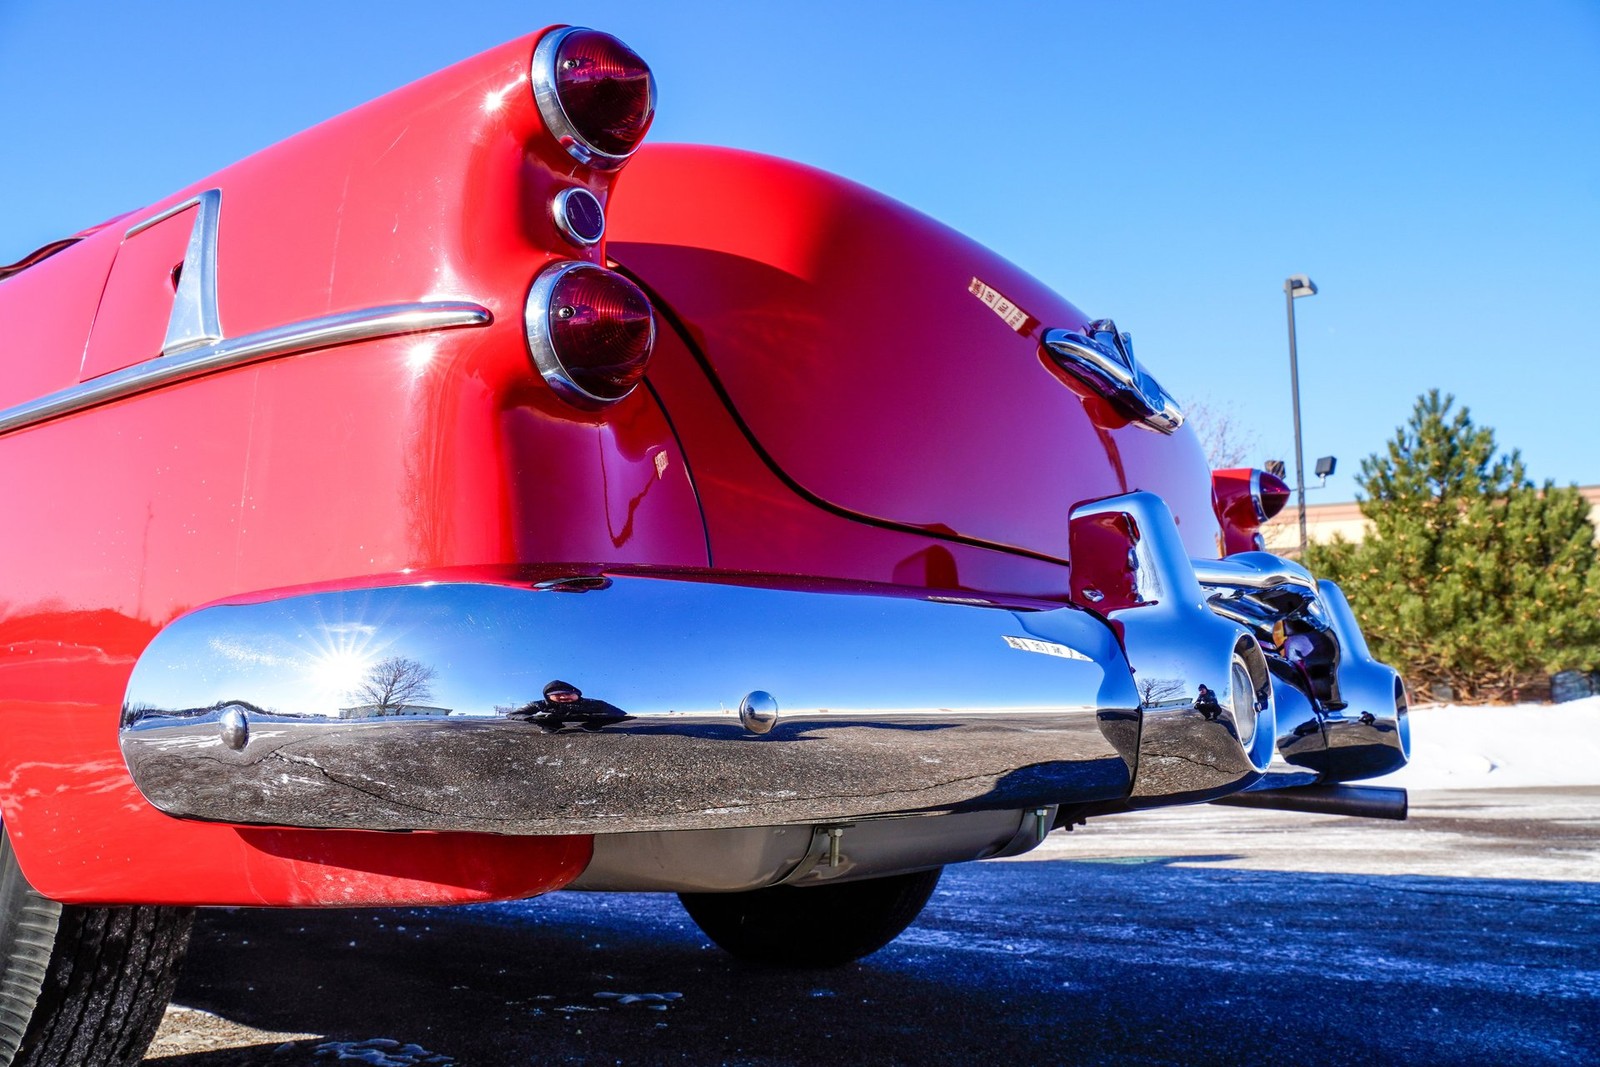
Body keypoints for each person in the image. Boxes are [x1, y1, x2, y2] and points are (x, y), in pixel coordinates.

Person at [511, 679, 631, 731]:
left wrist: (596, 717)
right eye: (557, 695)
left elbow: (620, 713)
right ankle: (553, 726)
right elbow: (514, 714)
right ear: (547, 697)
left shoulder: (593, 703)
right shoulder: (539, 704)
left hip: (586, 718)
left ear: (577, 694)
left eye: (568, 693)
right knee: (541, 718)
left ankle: (591, 726)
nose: (563, 697)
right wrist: (531, 718)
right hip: (553, 718)